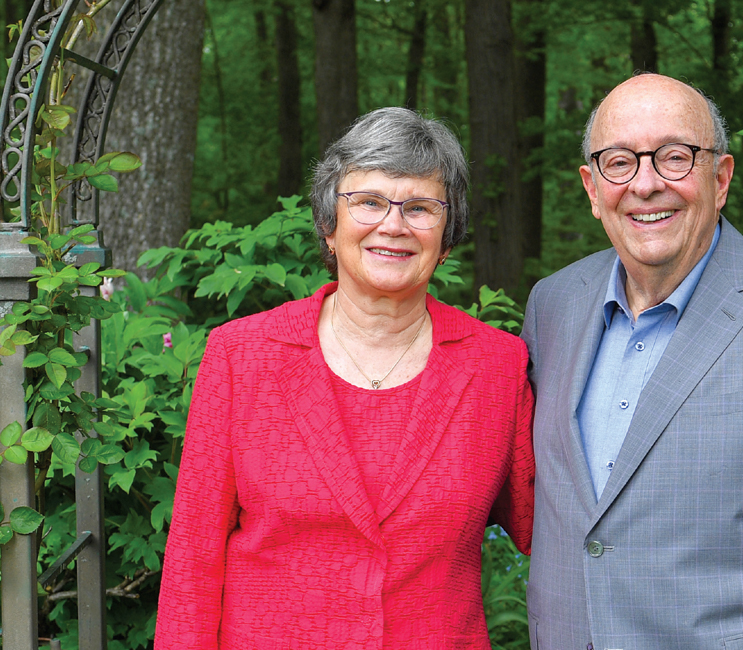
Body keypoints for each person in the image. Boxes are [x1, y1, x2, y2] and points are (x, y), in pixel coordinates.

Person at [521, 73, 743, 649]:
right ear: (592, 189)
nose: (645, 185)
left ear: (720, 178)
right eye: (620, 163)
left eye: (674, 158)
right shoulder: (554, 304)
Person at [156, 107, 535, 649]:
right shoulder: (242, 357)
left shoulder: (496, 366)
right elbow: (193, 561)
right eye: (369, 202)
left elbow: (553, 529)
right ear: (329, 226)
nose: (393, 224)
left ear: (446, 238)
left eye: (421, 207)